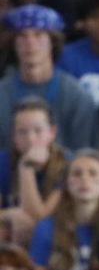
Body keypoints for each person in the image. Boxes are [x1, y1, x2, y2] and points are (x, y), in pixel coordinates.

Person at [0, 5, 98, 151]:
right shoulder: (2, 93)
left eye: (38, 35)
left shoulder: (76, 96)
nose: (30, 43)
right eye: (22, 36)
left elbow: (85, 154)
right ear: (13, 43)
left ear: (52, 41)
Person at [0, 97, 67, 242]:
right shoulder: (2, 161)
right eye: (22, 132)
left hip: (55, 237)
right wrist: (9, 214)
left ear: (52, 132)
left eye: (38, 131)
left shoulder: (68, 163)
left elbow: (39, 218)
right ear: (13, 137)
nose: (30, 139)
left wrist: (26, 168)